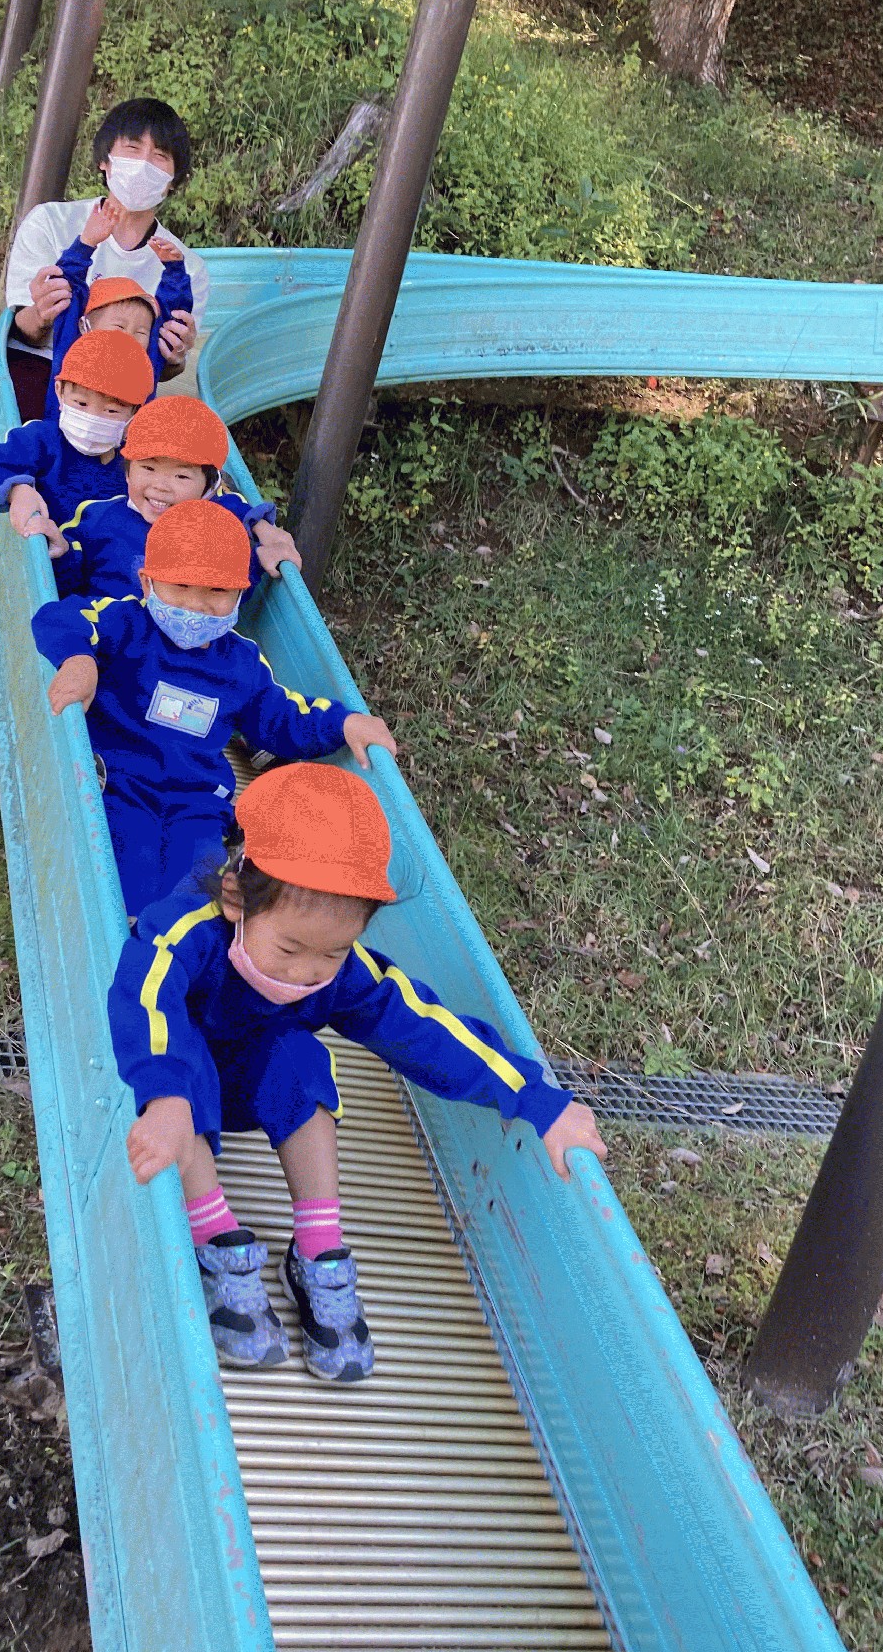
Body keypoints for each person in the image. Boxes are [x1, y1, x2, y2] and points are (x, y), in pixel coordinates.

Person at [108, 764, 609, 1382]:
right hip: (179, 1092)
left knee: (301, 1058)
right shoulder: (192, 930)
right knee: (184, 1059)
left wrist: (537, 1100)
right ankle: (212, 1231)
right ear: (237, 898)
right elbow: (143, 994)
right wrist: (163, 1096)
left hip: (249, 1082)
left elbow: (429, 1031)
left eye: (333, 952)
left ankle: (318, 1245)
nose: (307, 973)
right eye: (289, 949)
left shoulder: (341, 976)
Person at [31, 500, 393, 916]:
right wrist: (80, 661)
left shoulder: (241, 662)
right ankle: (129, 935)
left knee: (199, 883)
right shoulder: (125, 622)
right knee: (130, 865)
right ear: (147, 584)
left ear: (240, 593)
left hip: (196, 798)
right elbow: (58, 618)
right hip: (121, 778)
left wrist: (344, 724)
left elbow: (282, 716)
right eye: (181, 587)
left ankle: (185, 938)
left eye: (218, 591)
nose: (197, 605)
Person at [5, 98, 207, 422]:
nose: (144, 165)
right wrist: (42, 313)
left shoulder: (186, 267)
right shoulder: (51, 223)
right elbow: (20, 331)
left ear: (173, 181)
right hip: (43, 367)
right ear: (105, 160)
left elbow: (164, 371)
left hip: (124, 394)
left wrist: (175, 357)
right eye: (132, 148)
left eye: (160, 156)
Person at [50, 394, 301, 601]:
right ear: (127, 472)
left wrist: (262, 530)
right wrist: (62, 553)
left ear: (209, 487)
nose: (160, 486)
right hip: (106, 638)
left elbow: (233, 508)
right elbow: (65, 581)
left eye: (181, 476)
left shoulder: (215, 530)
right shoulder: (98, 519)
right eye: (148, 468)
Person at [0, 328, 153, 533]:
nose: (92, 418)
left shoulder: (134, 466)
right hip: (42, 549)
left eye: (111, 411)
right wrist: (16, 490)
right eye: (81, 403)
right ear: (60, 393)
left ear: (135, 415)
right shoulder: (41, 440)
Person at [43, 208, 194, 421]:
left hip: (126, 443)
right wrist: (86, 243)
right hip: (58, 436)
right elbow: (67, 283)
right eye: (119, 327)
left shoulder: (146, 362)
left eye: (141, 332)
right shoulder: (72, 344)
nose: (129, 337)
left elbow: (172, 315)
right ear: (85, 327)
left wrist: (175, 270)